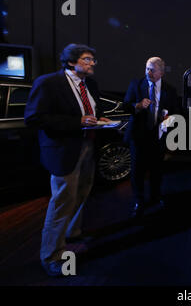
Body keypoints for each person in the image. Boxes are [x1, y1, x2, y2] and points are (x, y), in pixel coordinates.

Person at [24, 43, 111, 276]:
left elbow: (93, 110)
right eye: (86, 59)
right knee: (62, 201)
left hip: (88, 146)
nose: (92, 63)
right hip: (64, 150)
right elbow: (34, 118)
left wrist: (99, 117)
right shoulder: (48, 83)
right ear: (71, 62)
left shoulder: (90, 84)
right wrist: (78, 122)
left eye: (93, 60)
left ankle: (73, 233)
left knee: (82, 192)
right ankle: (51, 256)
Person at [123, 57, 179, 218]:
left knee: (157, 171)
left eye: (152, 70)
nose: (149, 72)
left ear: (161, 72)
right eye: (147, 68)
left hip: (158, 137)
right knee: (137, 172)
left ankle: (155, 198)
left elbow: (177, 112)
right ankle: (139, 201)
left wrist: (170, 119)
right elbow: (126, 106)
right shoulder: (136, 84)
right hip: (138, 137)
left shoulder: (170, 90)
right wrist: (137, 106)